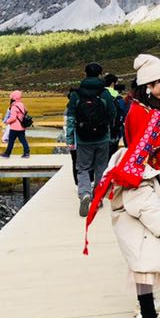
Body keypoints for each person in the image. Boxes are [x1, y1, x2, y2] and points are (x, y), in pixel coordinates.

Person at [83, 53, 160, 318]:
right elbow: (138, 166)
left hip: (149, 181)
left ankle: (150, 302)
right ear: (149, 85)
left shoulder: (143, 109)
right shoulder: (144, 117)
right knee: (144, 256)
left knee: (146, 253)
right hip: (144, 185)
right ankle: (147, 316)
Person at [66, 62, 116, 217]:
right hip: (102, 137)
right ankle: (98, 198)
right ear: (100, 74)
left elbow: (71, 118)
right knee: (101, 167)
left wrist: (69, 137)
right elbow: (112, 113)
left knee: (82, 168)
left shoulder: (77, 94)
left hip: (83, 138)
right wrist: (108, 129)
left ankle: (85, 193)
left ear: (85, 74)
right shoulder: (105, 93)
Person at [1, 91, 30, 158]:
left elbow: (13, 118)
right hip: (22, 127)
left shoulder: (14, 107)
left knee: (11, 141)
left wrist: (7, 121)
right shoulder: (21, 104)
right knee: (23, 140)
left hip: (14, 127)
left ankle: (7, 154)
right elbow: (25, 112)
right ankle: (26, 153)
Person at [104, 73, 126, 158]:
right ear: (113, 83)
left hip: (98, 132)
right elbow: (122, 111)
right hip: (113, 131)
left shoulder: (99, 93)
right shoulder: (116, 96)